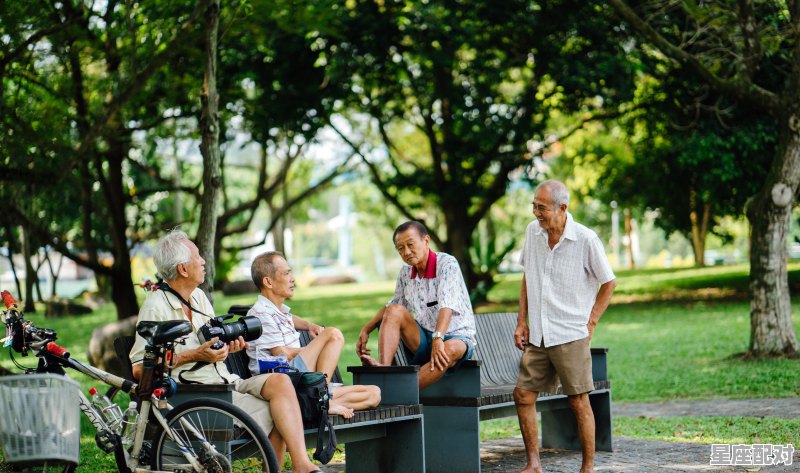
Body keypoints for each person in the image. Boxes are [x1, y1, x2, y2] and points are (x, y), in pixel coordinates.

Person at [129, 230, 322, 473]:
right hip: (195, 397)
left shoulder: (198, 297)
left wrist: (228, 348)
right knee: (280, 411)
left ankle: (300, 465)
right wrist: (195, 355)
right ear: (183, 269)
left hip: (226, 383)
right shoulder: (156, 306)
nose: (203, 261)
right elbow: (139, 369)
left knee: (282, 384)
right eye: (197, 257)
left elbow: (213, 342)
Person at [512, 180, 617, 473]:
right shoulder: (532, 233)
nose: (536, 212)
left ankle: (588, 467)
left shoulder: (586, 239)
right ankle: (533, 464)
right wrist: (522, 320)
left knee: (578, 400)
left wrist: (592, 320)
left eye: (542, 207)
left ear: (562, 208)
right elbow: (527, 275)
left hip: (570, 333)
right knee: (523, 395)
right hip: (540, 334)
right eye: (534, 205)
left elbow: (609, 282)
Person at [245, 251, 381, 420]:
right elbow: (282, 354)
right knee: (332, 335)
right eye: (286, 273)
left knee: (374, 394)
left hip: (301, 381)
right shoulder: (260, 314)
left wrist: (309, 325)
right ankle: (322, 399)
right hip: (284, 379)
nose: (292, 278)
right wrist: (317, 349)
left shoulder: (278, 311)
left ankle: (316, 403)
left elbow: (290, 319)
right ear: (268, 281)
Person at [356, 220, 477, 389]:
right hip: (422, 338)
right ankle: (384, 371)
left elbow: (447, 306)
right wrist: (367, 328)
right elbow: (393, 305)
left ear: (426, 241)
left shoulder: (447, 264)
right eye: (400, 248)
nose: (406, 252)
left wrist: (438, 337)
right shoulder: (406, 272)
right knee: (394, 310)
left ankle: (398, 391)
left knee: (448, 350)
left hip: (456, 336)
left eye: (411, 245)